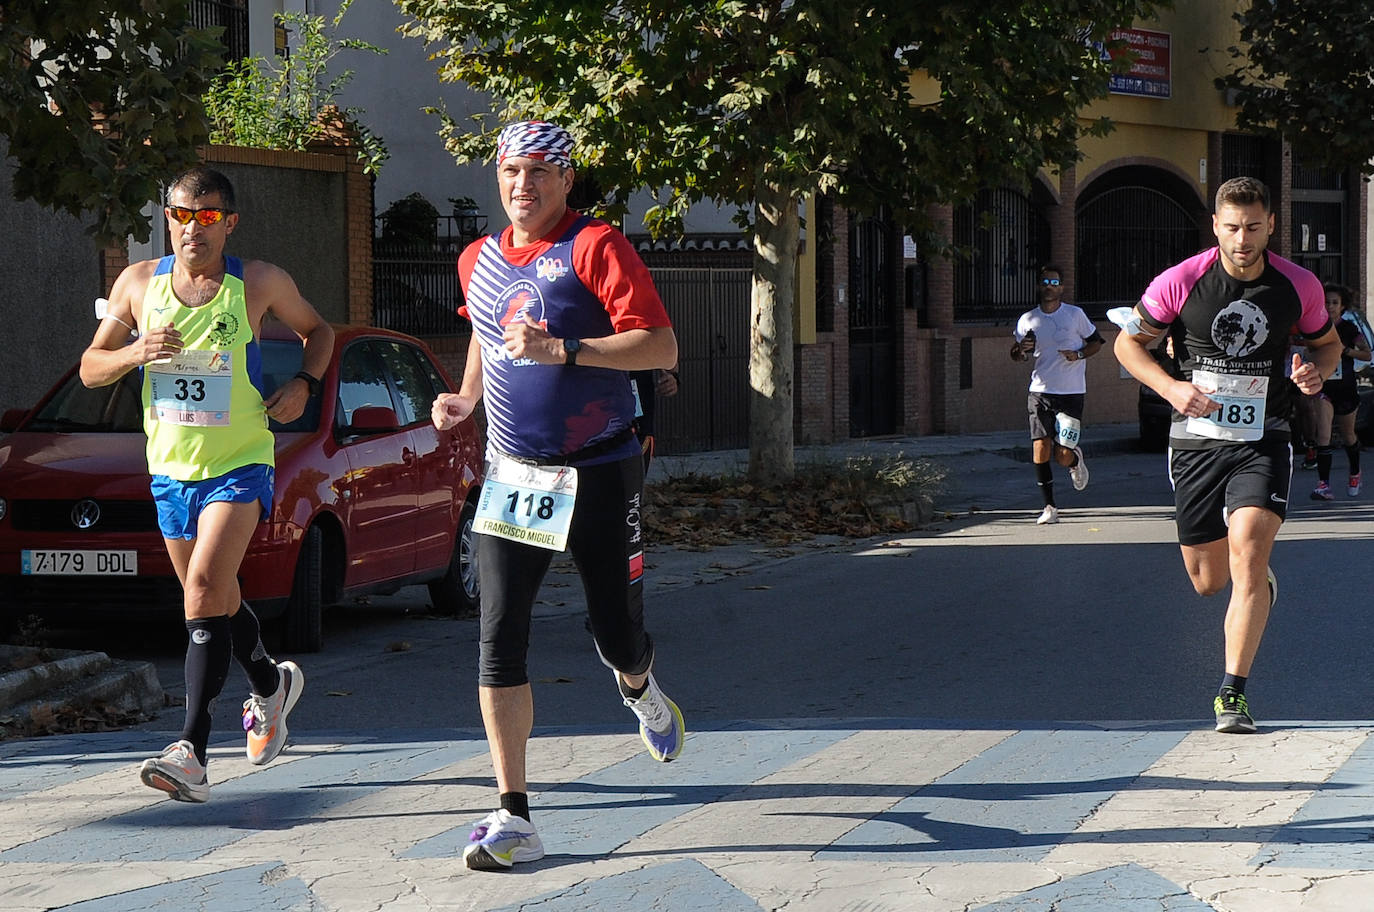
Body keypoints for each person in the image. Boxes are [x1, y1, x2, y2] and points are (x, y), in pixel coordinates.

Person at [431, 120, 684, 871]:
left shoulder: (595, 245)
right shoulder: (476, 258)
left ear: (567, 179)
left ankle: (639, 686)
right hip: (516, 474)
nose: (524, 185)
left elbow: (660, 345)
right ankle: (514, 814)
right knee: (498, 634)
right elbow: (485, 332)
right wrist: (467, 396)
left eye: (540, 171)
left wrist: (563, 348)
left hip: (600, 467)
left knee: (615, 634)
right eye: (512, 171)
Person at [79, 166, 333, 801]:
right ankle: (271, 684)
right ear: (168, 218)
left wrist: (305, 384)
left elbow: (320, 331)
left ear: (230, 223)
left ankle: (190, 750)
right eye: (181, 215)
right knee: (216, 596)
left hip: (240, 462)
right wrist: (136, 352)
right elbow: (90, 369)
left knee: (200, 589)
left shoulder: (259, 282)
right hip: (171, 469)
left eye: (209, 216)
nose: (193, 228)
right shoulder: (138, 283)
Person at [1113, 176, 1339, 735]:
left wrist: (1317, 373)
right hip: (1196, 441)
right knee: (1208, 581)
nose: (1243, 239)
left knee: (1250, 552)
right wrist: (1171, 388)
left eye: (1254, 227)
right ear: (1216, 226)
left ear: (1271, 226)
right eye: (1233, 227)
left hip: (1265, 436)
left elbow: (1327, 344)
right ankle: (1254, 583)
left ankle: (1231, 693)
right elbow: (1127, 344)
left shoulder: (1298, 284)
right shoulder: (1181, 280)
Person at [1010, 264, 1104, 524]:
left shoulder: (1074, 315)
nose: (1049, 287)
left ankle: (1074, 461)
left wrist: (1079, 354)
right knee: (1040, 447)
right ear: (1038, 287)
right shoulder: (1028, 319)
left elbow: (1096, 342)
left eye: (1054, 283)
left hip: (1071, 392)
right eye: (1045, 283)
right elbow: (1016, 355)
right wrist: (1021, 349)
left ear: (1061, 288)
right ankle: (1049, 507)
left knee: (1062, 455)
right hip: (1039, 391)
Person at [1308, 283, 1370, 499]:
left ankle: (1355, 472)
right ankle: (1323, 485)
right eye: (1326, 302)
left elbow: (1367, 354)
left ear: (1342, 306)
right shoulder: (1316, 328)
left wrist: (1345, 350)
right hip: (1324, 386)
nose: (1330, 306)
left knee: (1348, 435)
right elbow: (1306, 349)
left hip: (1346, 388)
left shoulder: (1349, 329)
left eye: (1335, 302)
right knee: (1323, 435)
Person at [630, 365, 679, 470]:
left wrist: (672, 377)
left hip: (638, 419)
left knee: (635, 475)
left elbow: (669, 358)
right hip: (598, 416)